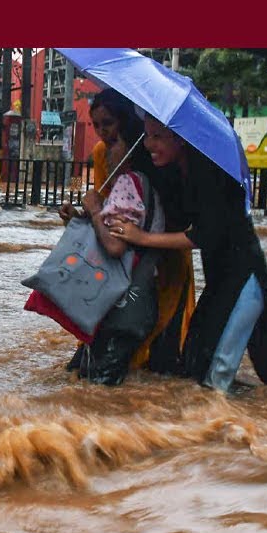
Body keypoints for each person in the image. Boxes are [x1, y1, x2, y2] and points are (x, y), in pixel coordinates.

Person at [107, 115, 267, 398]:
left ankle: (241, 434)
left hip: (244, 279)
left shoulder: (210, 171)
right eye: (146, 135)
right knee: (196, 361)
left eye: (157, 136)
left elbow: (203, 236)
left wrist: (142, 238)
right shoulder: (179, 171)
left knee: (216, 375)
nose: (148, 144)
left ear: (180, 137)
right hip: (219, 279)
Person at [82, 90, 196, 374]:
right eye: (95, 125)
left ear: (125, 122)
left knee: (159, 347)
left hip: (158, 261)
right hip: (123, 268)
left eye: (107, 123)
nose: (102, 132)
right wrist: (86, 213)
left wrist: (102, 213)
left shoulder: (154, 159)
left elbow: (116, 228)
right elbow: (111, 212)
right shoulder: (104, 155)